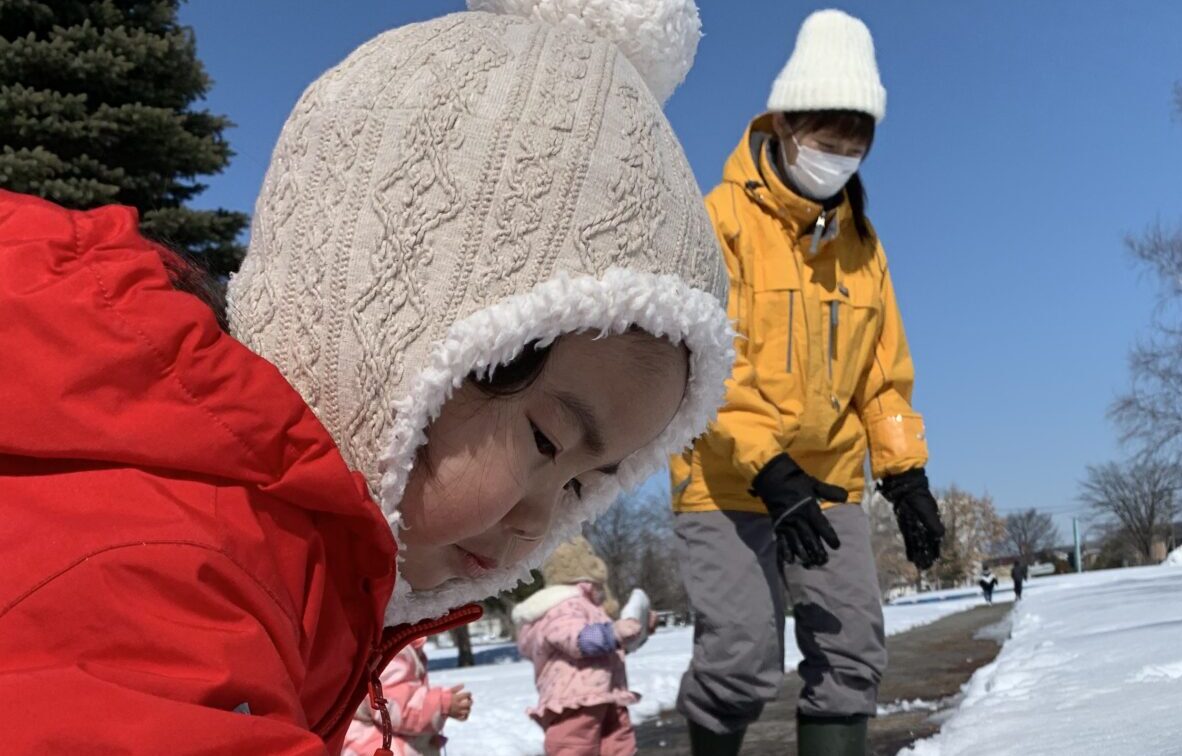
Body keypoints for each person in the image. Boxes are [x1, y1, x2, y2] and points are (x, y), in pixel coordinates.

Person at [0, 1, 734, 752]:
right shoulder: (170, 568)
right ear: (386, 346)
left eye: (587, 485)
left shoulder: (297, 562)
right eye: (547, 441)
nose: (541, 524)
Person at [668, 10, 945, 756]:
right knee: (740, 659)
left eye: (856, 143)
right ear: (786, 124)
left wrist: (907, 474)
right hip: (726, 478)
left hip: (826, 480)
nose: (841, 156)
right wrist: (769, 468)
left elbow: (882, 376)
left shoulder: (862, 246)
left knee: (853, 650)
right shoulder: (719, 220)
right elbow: (707, 363)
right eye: (828, 139)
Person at [513, 537, 658, 756]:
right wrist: (614, 632)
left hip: (607, 693)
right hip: (574, 701)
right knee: (574, 747)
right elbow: (576, 639)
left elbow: (607, 648)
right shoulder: (562, 604)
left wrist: (637, 630)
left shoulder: (588, 605)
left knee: (620, 746)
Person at [343, 637, 472, 756]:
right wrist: (442, 704)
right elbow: (394, 707)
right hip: (374, 747)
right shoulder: (392, 647)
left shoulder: (401, 643)